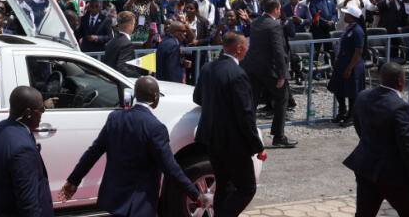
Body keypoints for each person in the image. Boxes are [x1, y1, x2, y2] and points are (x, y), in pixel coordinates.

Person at [60, 76, 208, 216]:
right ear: (155, 97)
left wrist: (73, 181)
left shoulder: (114, 119)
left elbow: (93, 152)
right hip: (139, 205)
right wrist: (195, 194)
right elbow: (170, 168)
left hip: (115, 200)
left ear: (135, 95)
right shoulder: (155, 128)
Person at [343, 62, 409, 217]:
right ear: (401, 81)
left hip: (366, 167)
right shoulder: (401, 107)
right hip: (394, 175)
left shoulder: (363, 96)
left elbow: (359, 125)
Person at [193, 32, 264, 215]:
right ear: (239, 48)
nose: (247, 50)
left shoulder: (208, 68)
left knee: (224, 185)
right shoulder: (238, 74)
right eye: (246, 46)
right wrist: (258, 146)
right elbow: (245, 114)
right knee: (247, 187)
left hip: (212, 138)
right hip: (233, 143)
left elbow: (198, 97)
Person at [0, 86, 53, 216]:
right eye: (41, 109)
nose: (42, 113)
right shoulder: (23, 149)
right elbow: (28, 203)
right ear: (28, 113)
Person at [243, 0, 296, 148]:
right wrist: (282, 74)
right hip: (270, 70)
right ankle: (279, 136)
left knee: (252, 102)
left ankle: (247, 135)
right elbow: (278, 51)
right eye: (279, 9)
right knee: (282, 99)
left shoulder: (256, 22)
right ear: (276, 9)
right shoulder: (274, 25)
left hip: (253, 69)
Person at [328, 5, 365, 126]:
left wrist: (349, 68)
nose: (344, 16)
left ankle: (351, 115)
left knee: (352, 91)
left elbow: (358, 51)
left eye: (347, 14)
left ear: (352, 16)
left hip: (352, 64)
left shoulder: (358, 30)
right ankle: (342, 111)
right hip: (342, 62)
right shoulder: (349, 28)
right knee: (338, 88)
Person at [101, 11, 142, 77]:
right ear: (130, 25)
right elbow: (123, 68)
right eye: (134, 24)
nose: (134, 26)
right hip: (119, 81)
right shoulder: (127, 44)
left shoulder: (111, 42)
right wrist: (140, 77)